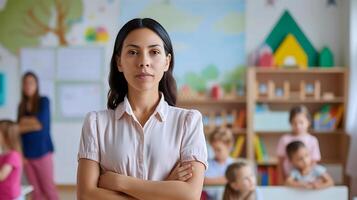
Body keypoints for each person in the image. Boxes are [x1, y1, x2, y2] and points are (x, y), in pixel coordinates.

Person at [77, 18, 208, 200]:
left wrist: (119, 182)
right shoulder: (96, 123)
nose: (144, 62)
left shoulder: (189, 121)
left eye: (154, 52)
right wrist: (166, 187)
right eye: (132, 52)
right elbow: (86, 195)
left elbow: (189, 195)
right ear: (119, 62)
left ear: (167, 62)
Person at [17, 72, 58, 200]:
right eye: (25, 83)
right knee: (35, 192)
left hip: (43, 152)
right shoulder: (21, 106)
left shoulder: (43, 101)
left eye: (31, 83)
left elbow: (41, 125)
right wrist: (32, 123)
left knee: (48, 189)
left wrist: (24, 122)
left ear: (36, 85)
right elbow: (17, 129)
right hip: (27, 156)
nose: (28, 86)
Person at [276, 105, 321, 183]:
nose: (298, 126)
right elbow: (280, 162)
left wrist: (310, 179)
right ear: (290, 123)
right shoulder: (284, 139)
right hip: (288, 180)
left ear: (308, 122)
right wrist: (281, 180)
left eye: (301, 122)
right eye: (294, 123)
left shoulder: (312, 140)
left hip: (307, 180)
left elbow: (314, 163)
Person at [204, 128, 235, 200]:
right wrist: (225, 180)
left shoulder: (233, 164)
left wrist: (211, 181)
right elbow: (202, 181)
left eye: (218, 149)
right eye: (213, 149)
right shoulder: (208, 164)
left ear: (229, 146)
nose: (215, 153)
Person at [0, 120, 22, 199]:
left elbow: (1, 175)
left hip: (10, 196)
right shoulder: (3, 154)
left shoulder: (13, 155)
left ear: (7, 136)